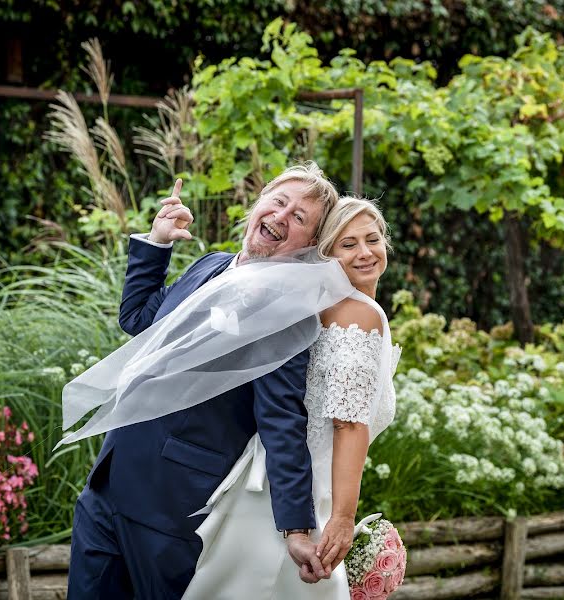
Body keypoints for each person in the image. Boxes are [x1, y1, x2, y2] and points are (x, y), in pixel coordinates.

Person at [66, 162, 343, 599]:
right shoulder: (210, 265)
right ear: (258, 204)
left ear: (308, 244)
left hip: (172, 506)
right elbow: (140, 320)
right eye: (279, 201)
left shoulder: (287, 315)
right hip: (107, 485)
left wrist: (296, 526)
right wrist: (156, 243)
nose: (281, 216)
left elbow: (282, 421)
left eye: (299, 218)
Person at [183, 196, 400, 599]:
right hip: (299, 499)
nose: (365, 252)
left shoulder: (333, 307)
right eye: (348, 244)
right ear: (327, 255)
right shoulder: (359, 315)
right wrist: (342, 518)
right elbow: (347, 423)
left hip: (273, 487)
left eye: (373, 239)